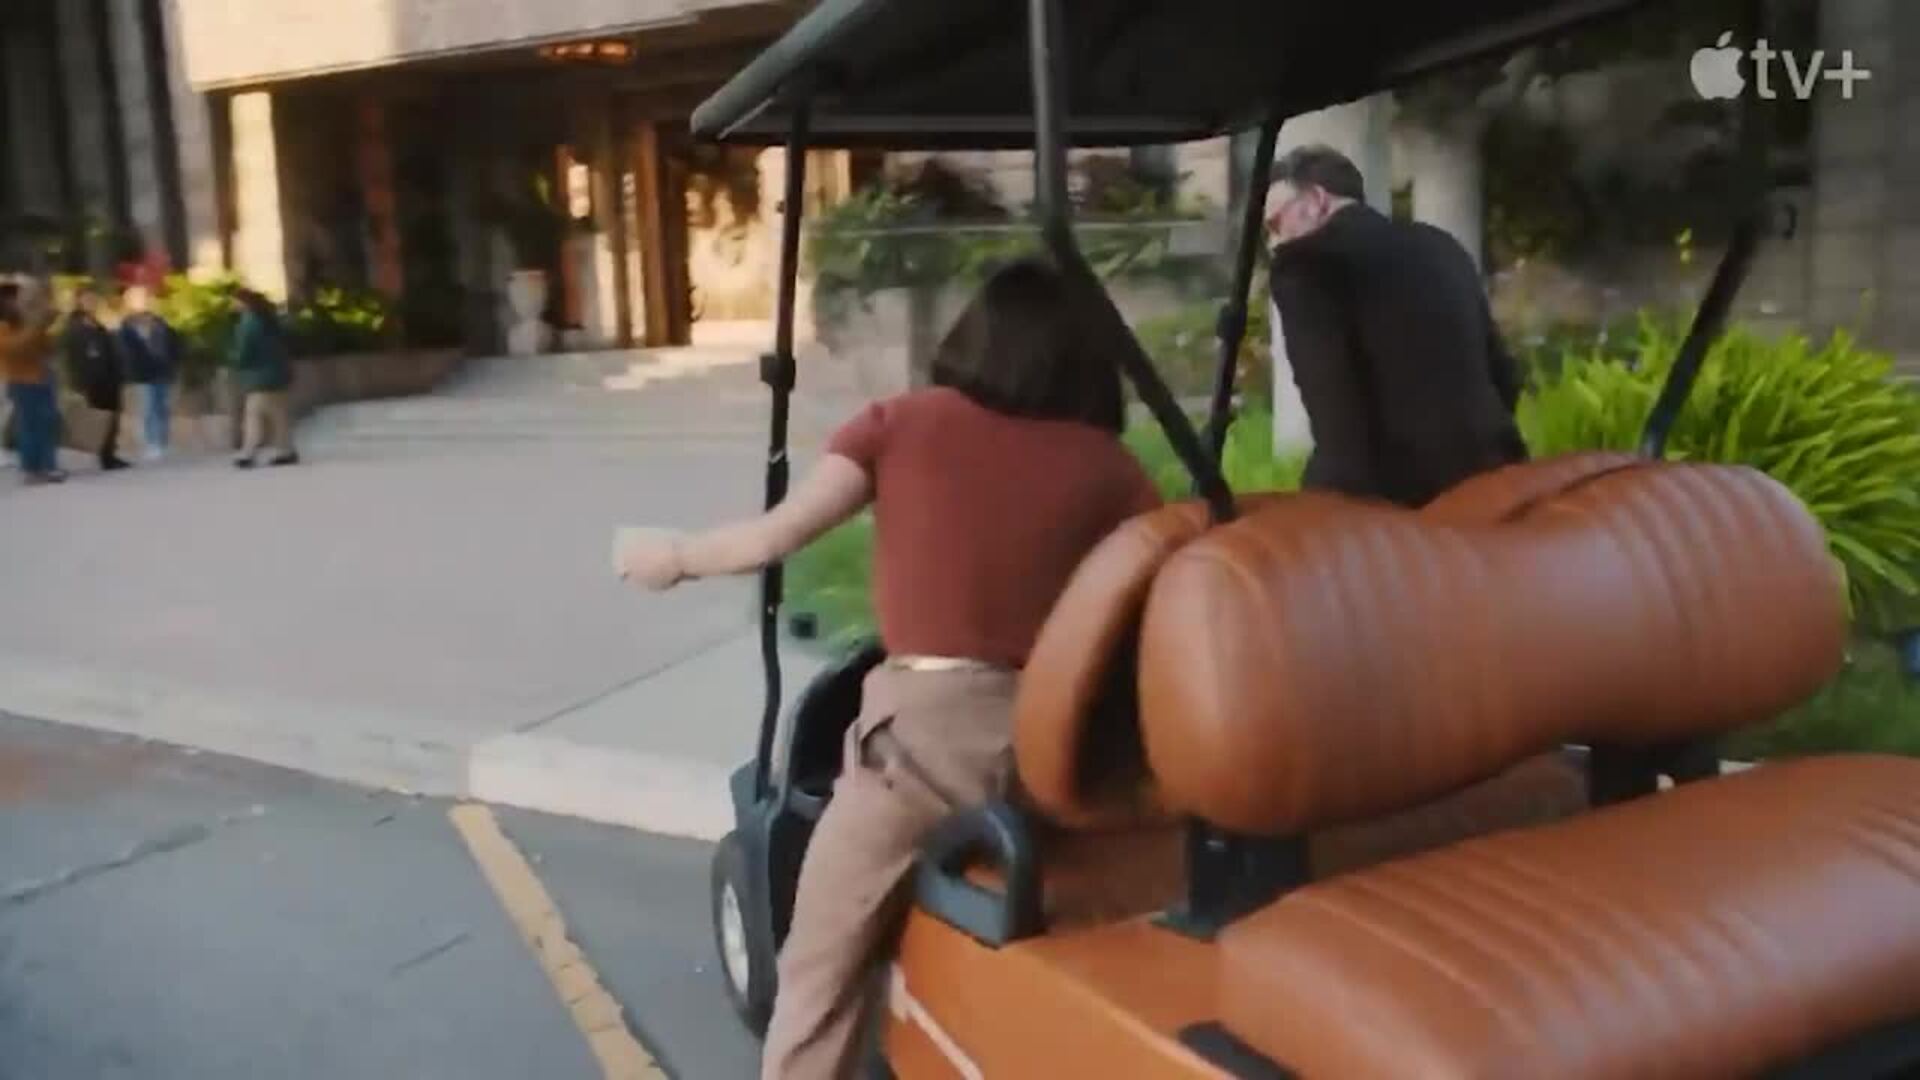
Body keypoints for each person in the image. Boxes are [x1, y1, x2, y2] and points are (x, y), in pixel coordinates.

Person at [614, 257, 1163, 1080]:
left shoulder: (902, 423)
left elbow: (773, 538)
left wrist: (673, 557)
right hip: (1065, 752)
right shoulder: (1113, 469)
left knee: (817, 975)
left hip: (925, 754)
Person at [1264, 144, 1528, 509]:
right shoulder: (1441, 245)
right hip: (1496, 473)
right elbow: (1503, 375)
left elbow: (1337, 420)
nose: (1274, 242)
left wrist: (1325, 513)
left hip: (1406, 502)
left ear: (1316, 201)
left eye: (1275, 224)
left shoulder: (1304, 265)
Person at [2, 278, 67, 485]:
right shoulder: (4, 326)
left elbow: (46, 348)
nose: (17, 302)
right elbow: (15, 348)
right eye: (13, 298)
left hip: (43, 376)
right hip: (22, 380)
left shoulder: (27, 322)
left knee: (47, 423)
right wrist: (39, 325)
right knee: (29, 424)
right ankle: (31, 468)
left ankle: (49, 465)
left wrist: (46, 331)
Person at [64, 283, 132, 471]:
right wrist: (76, 381)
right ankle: (99, 453)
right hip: (91, 379)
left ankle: (109, 453)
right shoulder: (74, 326)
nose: (91, 302)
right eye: (87, 299)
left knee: (112, 417)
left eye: (93, 299)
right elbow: (71, 357)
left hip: (110, 378)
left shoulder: (99, 324)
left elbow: (111, 348)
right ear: (79, 301)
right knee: (96, 418)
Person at [230, 288, 298, 468]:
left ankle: (248, 453)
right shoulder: (270, 320)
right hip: (279, 375)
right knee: (279, 416)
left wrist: (234, 361)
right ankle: (286, 450)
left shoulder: (248, 323)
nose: (232, 305)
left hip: (259, 378)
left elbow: (243, 352)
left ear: (244, 303)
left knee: (253, 416)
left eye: (235, 301)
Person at [118, 283, 182, 462]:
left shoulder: (159, 322)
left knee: (162, 407)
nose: (144, 302)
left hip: (162, 370)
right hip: (143, 373)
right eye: (139, 299)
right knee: (149, 407)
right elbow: (126, 351)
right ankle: (152, 443)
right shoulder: (127, 325)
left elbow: (173, 343)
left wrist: (173, 362)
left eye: (146, 298)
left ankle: (163, 442)